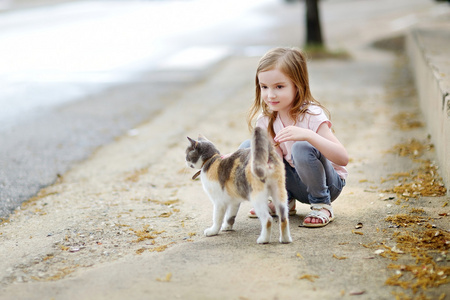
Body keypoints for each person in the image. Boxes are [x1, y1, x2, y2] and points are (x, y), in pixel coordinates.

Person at [242, 47, 348, 227]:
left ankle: (322, 205)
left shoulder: (312, 115)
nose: (270, 95)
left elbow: (342, 158)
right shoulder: (266, 119)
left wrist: (308, 135)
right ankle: (284, 200)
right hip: (295, 185)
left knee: (301, 147)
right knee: (248, 147)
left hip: (328, 185)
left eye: (279, 87)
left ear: (297, 85)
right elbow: (275, 162)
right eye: (264, 87)